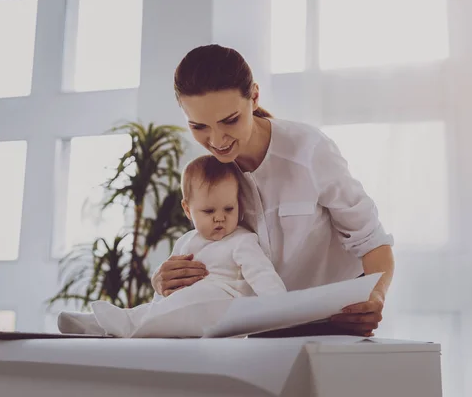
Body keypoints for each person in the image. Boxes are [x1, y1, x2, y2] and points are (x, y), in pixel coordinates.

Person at [151, 44, 395, 338]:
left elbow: (372, 241)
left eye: (230, 121)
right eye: (199, 126)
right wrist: (166, 280)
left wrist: (376, 296)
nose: (216, 140)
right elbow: (214, 250)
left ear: (254, 97)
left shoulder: (309, 150)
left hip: (335, 323)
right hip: (256, 329)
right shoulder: (206, 173)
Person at [58, 155, 286, 338]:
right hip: (189, 308)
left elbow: (262, 274)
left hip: (226, 306)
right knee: (165, 310)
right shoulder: (186, 241)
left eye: (229, 209)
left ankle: (115, 324)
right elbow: (168, 290)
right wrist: (161, 294)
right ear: (188, 210)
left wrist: (283, 311)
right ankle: (100, 324)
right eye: (209, 211)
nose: (220, 218)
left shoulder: (242, 240)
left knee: (189, 301)